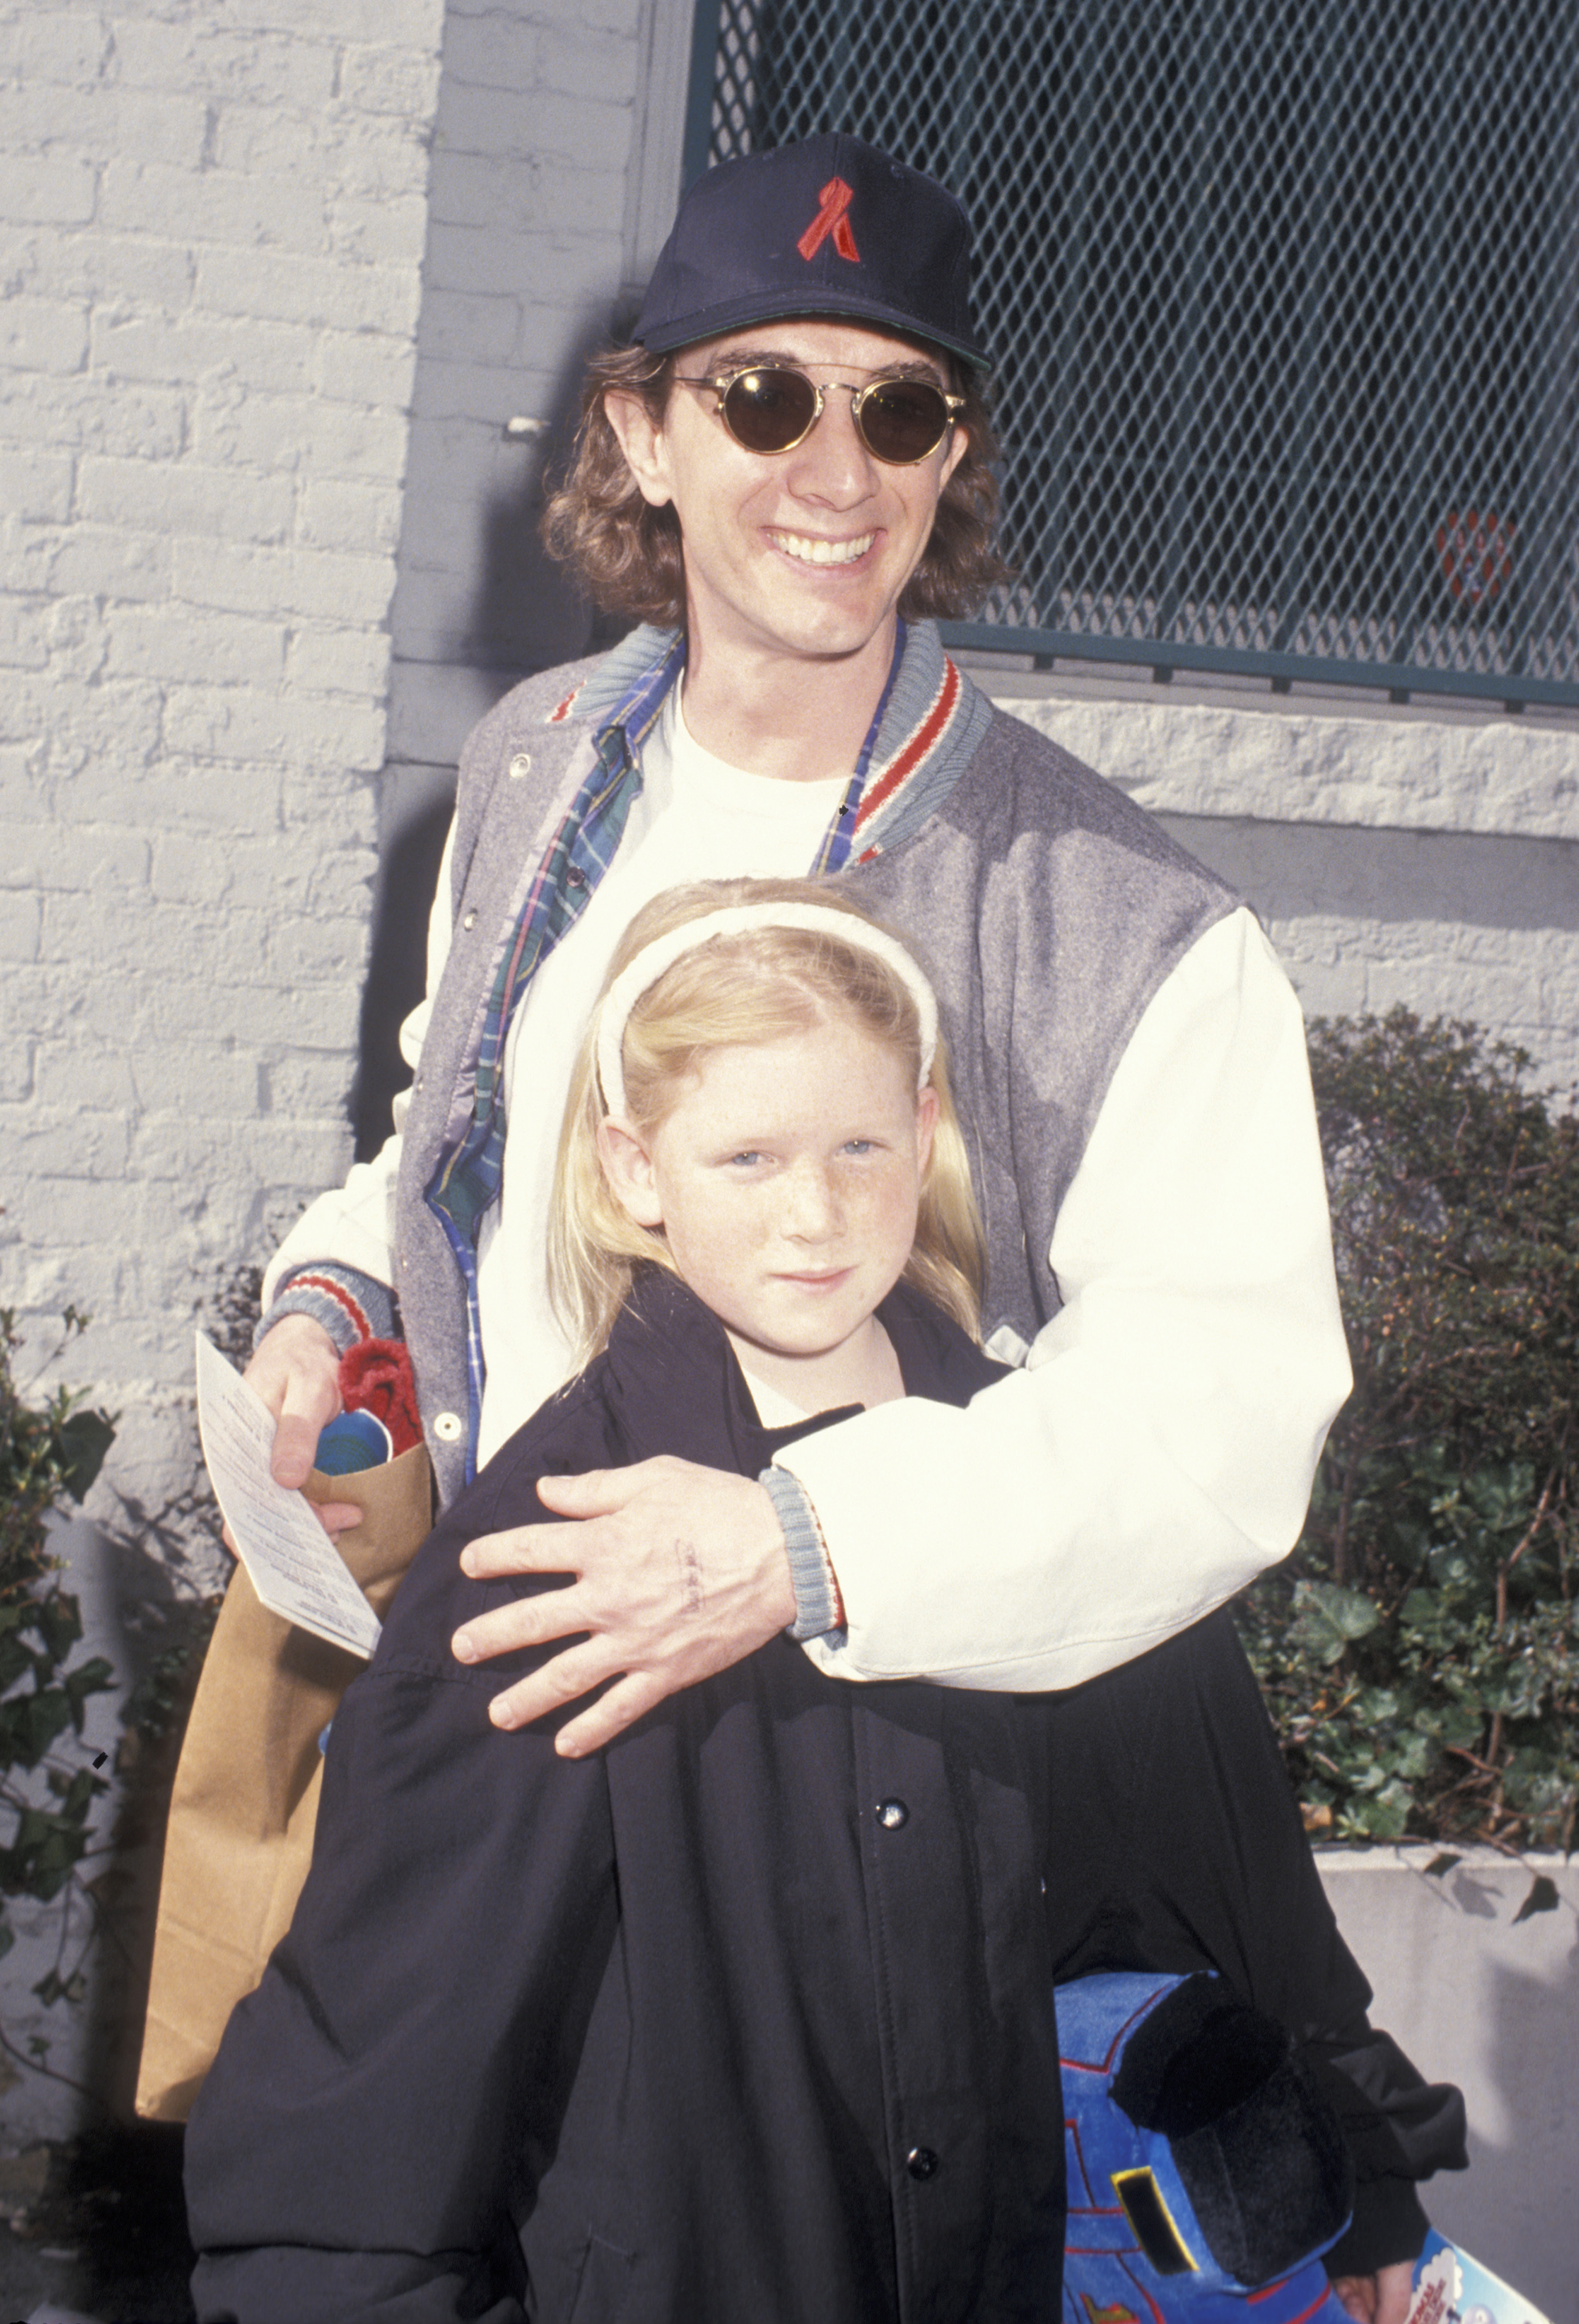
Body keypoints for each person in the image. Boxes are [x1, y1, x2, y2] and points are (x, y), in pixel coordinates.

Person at [185, 884, 1461, 2324]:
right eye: (748, 1155)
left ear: (925, 1134)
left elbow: (1234, 1881)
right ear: (635, 1168)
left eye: (861, 1145)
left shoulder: (1057, 1485)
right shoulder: (547, 1560)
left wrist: (1362, 2168)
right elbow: (373, 2090)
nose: (817, 1213)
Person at [244, 129, 1350, 1749]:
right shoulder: (537, 769)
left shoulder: (1122, 923)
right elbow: (455, 1146)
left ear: (948, 457)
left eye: (897, 411)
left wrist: (796, 1547)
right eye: (763, 398)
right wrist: (322, 1316)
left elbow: (1216, 1425)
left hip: (827, 1780)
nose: (837, 475)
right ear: (642, 436)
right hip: (507, 1726)